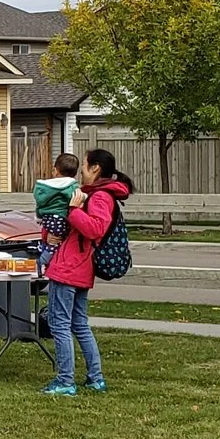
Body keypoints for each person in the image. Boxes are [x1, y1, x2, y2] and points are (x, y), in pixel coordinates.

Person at [41, 149, 132, 396]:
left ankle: (65, 381)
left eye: (84, 165)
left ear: (95, 168)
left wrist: (73, 211)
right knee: (78, 324)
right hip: (80, 267)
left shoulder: (100, 196)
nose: (81, 170)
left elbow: (95, 229)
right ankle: (95, 377)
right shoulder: (96, 194)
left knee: (59, 324)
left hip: (69, 267)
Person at [35, 153, 82, 274]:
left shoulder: (45, 187)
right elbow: (78, 198)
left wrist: (39, 216)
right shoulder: (71, 186)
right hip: (60, 219)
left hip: (47, 219)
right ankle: (42, 262)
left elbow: (40, 204)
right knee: (55, 243)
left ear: (55, 170)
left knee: (49, 242)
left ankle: (43, 262)